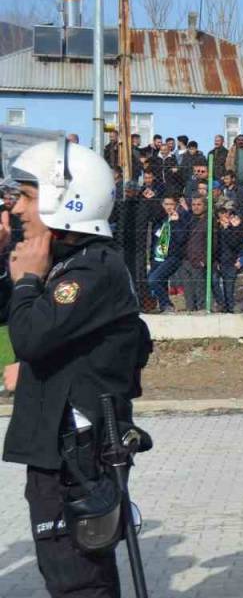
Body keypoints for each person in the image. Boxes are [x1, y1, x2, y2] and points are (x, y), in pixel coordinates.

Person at [1, 139, 152, 598]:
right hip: (59, 446)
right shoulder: (65, 262)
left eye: (27, 196)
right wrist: (10, 265)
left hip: (77, 453)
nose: (16, 208)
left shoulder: (92, 270)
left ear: (65, 201)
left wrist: (28, 280)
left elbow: (29, 336)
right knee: (69, 571)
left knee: (77, 579)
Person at [146, 194, 192, 313]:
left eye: (171, 204)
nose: (168, 207)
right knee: (160, 281)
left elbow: (181, 239)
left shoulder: (180, 220)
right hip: (158, 257)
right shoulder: (160, 220)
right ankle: (164, 306)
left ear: (176, 205)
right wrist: (152, 258)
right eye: (166, 204)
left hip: (172, 257)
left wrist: (175, 223)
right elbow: (154, 240)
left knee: (153, 280)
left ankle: (168, 304)